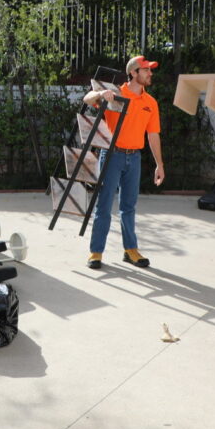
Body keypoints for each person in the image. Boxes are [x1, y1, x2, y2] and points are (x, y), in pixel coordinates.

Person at [82, 55, 165, 270]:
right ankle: (96, 252)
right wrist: (101, 93)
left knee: (129, 206)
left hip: (135, 157)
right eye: (146, 70)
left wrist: (160, 165)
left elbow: (153, 134)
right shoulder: (116, 94)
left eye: (150, 70)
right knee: (104, 205)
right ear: (133, 73)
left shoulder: (150, 102)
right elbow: (87, 99)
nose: (150, 73)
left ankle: (130, 250)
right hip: (112, 155)